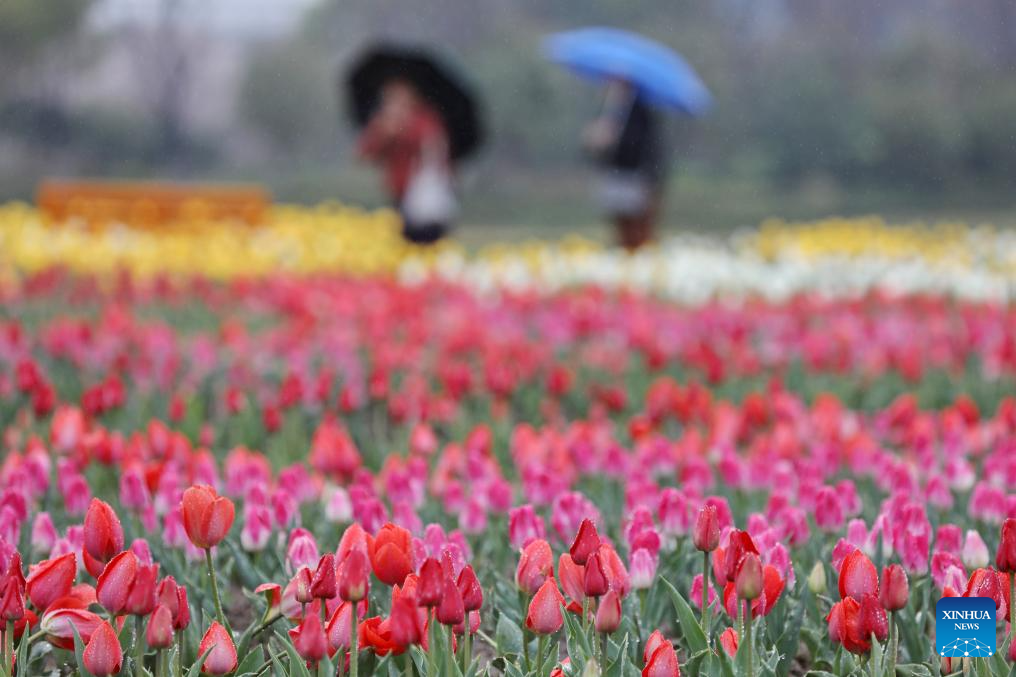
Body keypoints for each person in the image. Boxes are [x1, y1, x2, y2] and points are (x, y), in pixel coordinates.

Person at [357, 79, 456, 244]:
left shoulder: (425, 120)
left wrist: (402, 129)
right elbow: (365, 154)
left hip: (422, 194)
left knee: (426, 240)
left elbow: (432, 145)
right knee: (399, 241)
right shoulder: (383, 122)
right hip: (397, 191)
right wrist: (385, 133)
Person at [583, 80, 667, 251]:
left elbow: (645, 145)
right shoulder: (608, 109)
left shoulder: (641, 109)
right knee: (619, 226)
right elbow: (598, 150)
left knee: (638, 228)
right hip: (615, 175)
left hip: (636, 176)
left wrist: (616, 137)